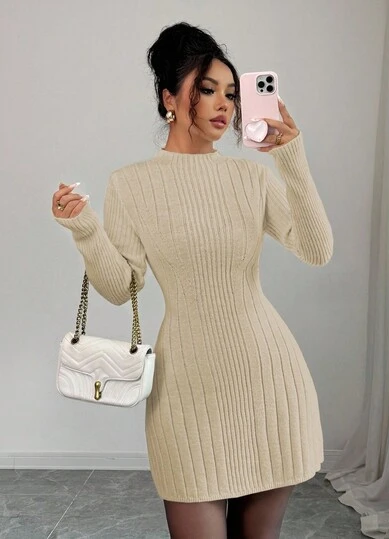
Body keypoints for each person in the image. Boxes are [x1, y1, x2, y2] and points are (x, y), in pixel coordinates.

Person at [52, 21, 333, 539]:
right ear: (170, 99)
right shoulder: (131, 184)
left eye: (230, 93)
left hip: (270, 381)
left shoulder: (250, 177)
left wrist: (291, 159)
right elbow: (121, 287)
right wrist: (86, 230)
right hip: (186, 391)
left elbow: (317, 250)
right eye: (207, 90)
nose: (224, 105)